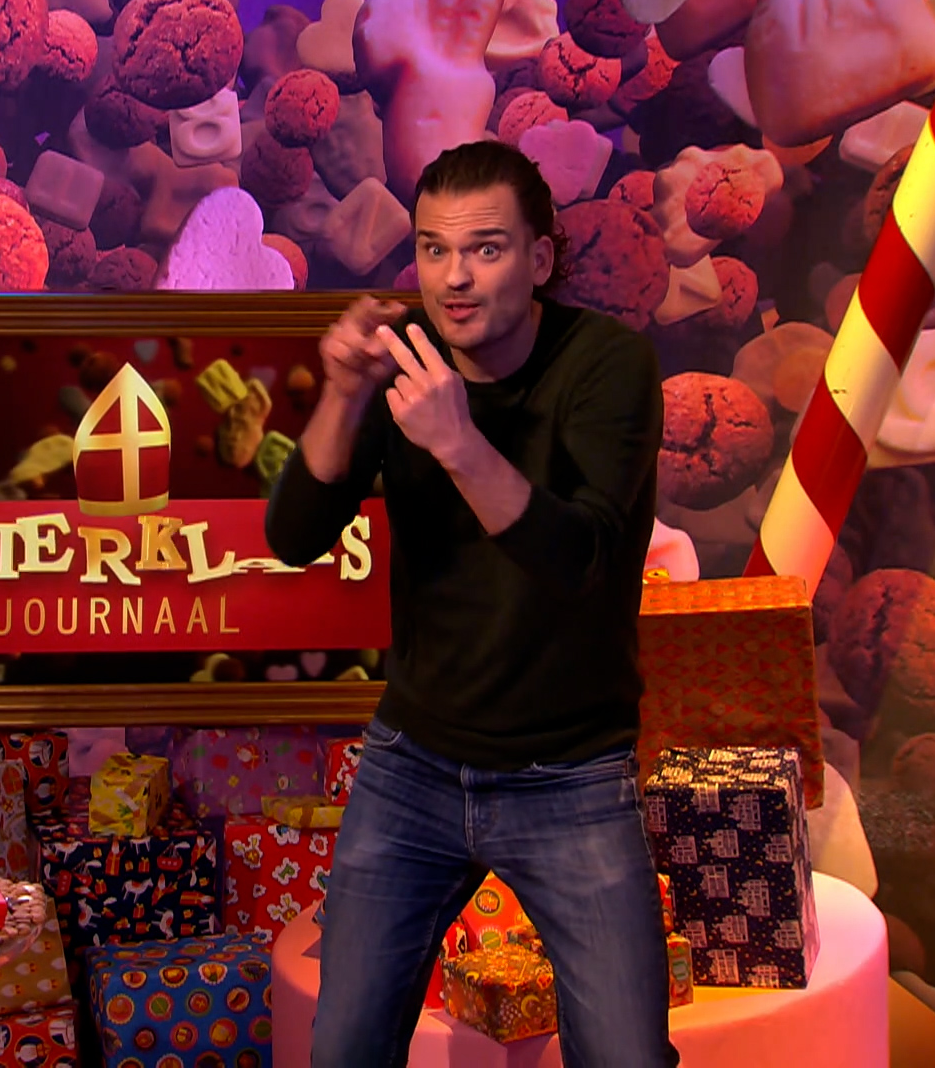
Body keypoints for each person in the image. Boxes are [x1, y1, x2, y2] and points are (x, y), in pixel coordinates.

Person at [264, 140, 676, 1067]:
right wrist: (343, 395)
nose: (454, 278)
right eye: (433, 249)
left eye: (485, 249)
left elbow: (582, 560)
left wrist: (458, 444)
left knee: (627, 1056)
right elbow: (293, 536)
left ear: (539, 257)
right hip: (413, 763)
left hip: (572, 773)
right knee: (345, 1050)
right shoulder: (406, 357)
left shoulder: (608, 366)